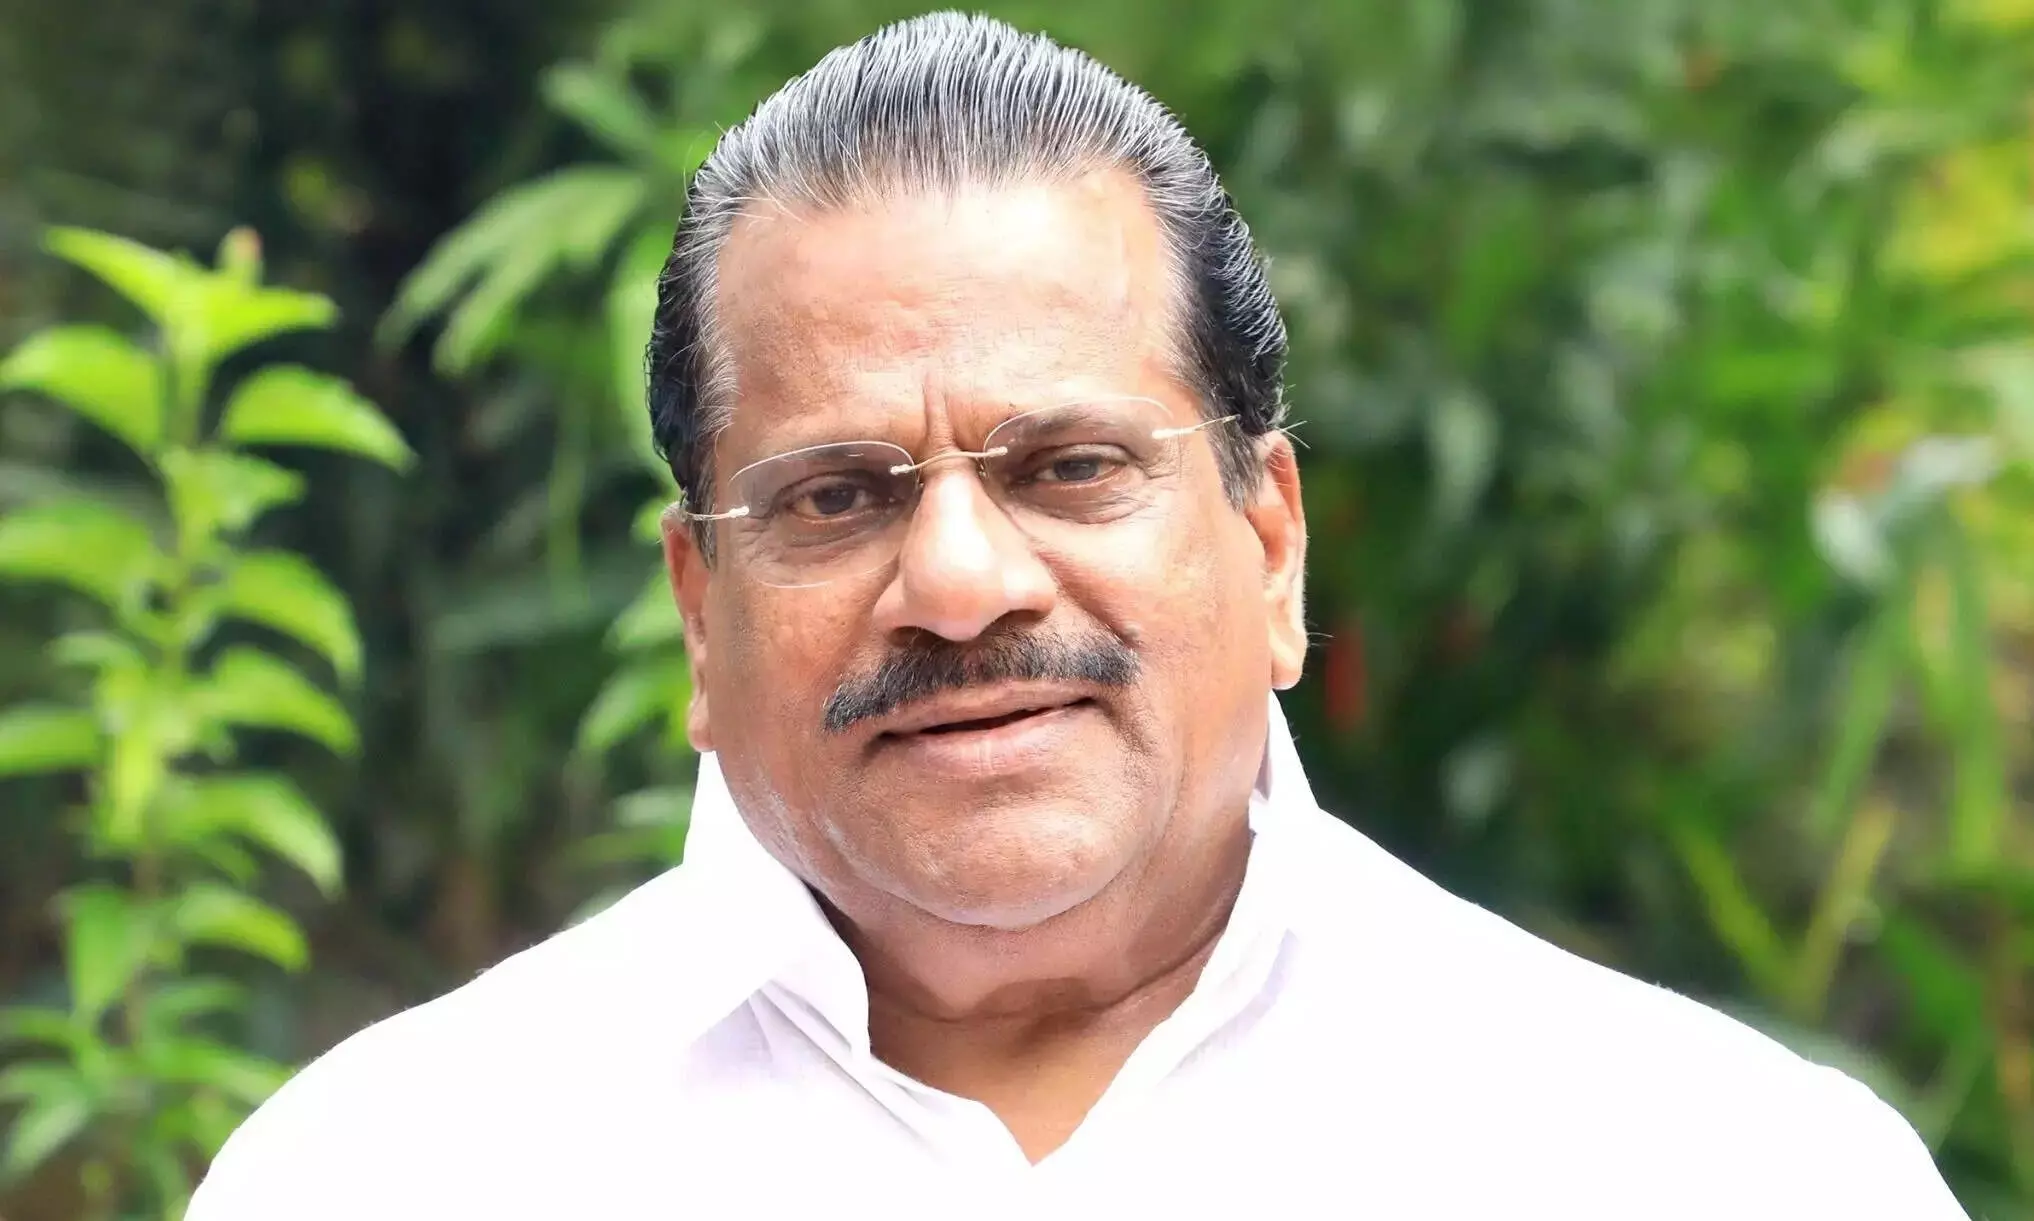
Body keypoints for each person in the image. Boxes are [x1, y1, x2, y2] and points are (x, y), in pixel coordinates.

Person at [188, 13, 1969, 1219]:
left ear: (1270, 544)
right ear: (698, 616)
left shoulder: (1708, 1170)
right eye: (838, 496)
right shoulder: (391, 1175)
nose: (961, 585)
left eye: (1069, 467)